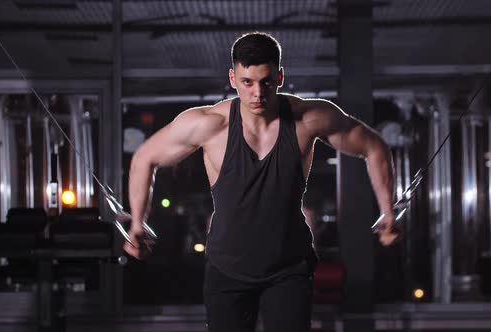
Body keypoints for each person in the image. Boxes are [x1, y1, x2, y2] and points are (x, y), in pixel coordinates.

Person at [124, 31, 398, 332]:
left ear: (279, 77)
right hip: (227, 270)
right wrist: (138, 222)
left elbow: (374, 147)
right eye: (247, 82)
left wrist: (387, 210)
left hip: (289, 268)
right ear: (232, 78)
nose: (257, 93)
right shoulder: (209, 125)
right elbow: (144, 158)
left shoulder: (309, 119)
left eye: (266, 81)